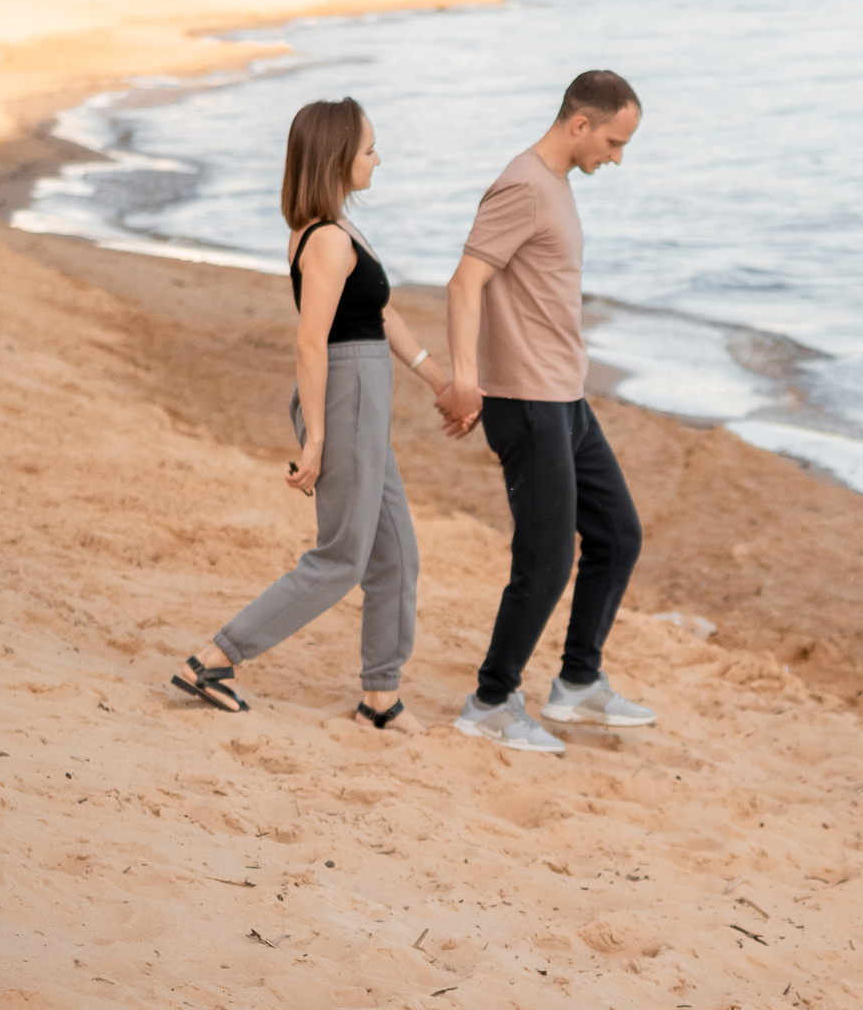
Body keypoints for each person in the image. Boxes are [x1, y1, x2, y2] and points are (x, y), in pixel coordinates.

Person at [171, 98, 451, 732]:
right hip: (346, 394)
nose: (378, 158)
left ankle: (380, 697)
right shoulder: (325, 240)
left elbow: (380, 315)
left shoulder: (340, 228)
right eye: (370, 148)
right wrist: (319, 436)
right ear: (337, 158)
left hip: (365, 395)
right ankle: (213, 659)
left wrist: (438, 378)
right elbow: (310, 339)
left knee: (397, 555)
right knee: (341, 557)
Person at [435, 70, 656, 755]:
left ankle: (578, 681)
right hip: (525, 399)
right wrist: (466, 378)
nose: (616, 158)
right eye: (614, 142)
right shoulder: (523, 185)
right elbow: (464, 281)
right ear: (580, 123)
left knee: (617, 534)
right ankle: (492, 700)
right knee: (547, 558)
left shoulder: (554, 185)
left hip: (565, 395)